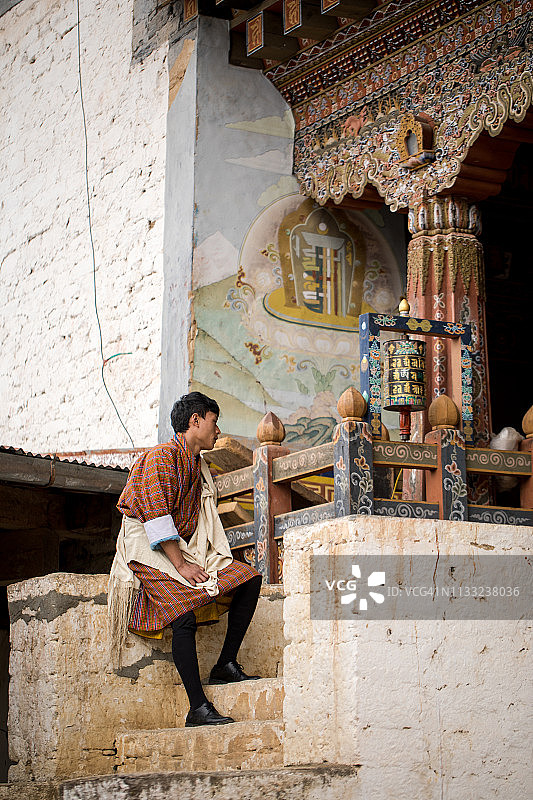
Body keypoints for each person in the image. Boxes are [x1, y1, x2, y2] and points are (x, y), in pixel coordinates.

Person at [108, 392, 262, 727]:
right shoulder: (161, 456)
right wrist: (180, 565)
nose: (217, 431)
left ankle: (225, 664)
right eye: (213, 421)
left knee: (248, 578)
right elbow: (155, 514)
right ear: (195, 420)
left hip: (185, 547)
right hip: (148, 546)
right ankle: (197, 707)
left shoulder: (198, 465)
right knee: (183, 614)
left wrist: (191, 557)